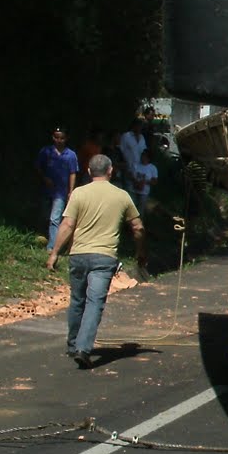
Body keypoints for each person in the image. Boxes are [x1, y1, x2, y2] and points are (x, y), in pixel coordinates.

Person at [46, 153, 145, 368]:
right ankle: (83, 348)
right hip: (104, 257)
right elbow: (137, 227)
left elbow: (67, 225)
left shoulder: (79, 193)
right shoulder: (122, 196)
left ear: (89, 172)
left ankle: (73, 345)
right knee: (95, 303)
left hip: (78, 255)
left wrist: (54, 253)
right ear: (111, 171)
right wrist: (139, 252)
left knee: (77, 300)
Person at [34, 128, 80, 250]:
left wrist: (71, 190)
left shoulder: (71, 155)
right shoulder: (46, 151)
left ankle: (52, 247)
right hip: (46, 189)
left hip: (61, 191)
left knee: (55, 218)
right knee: (44, 215)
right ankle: (43, 237)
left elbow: (73, 173)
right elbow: (38, 166)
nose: (59, 140)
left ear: (66, 139)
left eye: (62, 138)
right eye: (57, 137)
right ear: (53, 137)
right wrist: (44, 178)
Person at [117, 119, 147, 184]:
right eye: (138, 126)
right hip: (127, 169)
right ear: (134, 126)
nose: (140, 128)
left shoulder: (142, 138)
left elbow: (144, 152)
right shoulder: (126, 136)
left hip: (139, 170)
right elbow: (120, 150)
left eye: (141, 126)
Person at [129, 147, 157, 215]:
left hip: (144, 193)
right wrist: (135, 180)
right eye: (142, 155)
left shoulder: (152, 168)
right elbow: (129, 175)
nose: (142, 157)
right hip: (133, 190)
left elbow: (155, 182)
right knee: (130, 209)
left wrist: (145, 182)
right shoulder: (135, 165)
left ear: (148, 158)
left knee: (140, 211)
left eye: (144, 155)